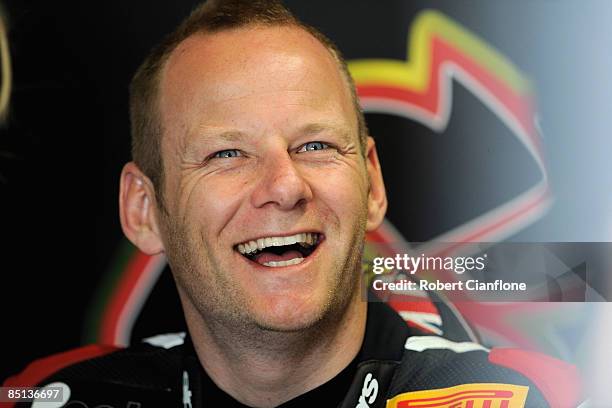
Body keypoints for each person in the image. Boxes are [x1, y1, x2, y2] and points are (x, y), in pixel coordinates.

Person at [3, 1, 584, 407]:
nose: (285, 186)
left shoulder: (535, 399)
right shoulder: (51, 396)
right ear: (143, 209)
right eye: (227, 154)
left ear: (373, 183)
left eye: (315, 145)